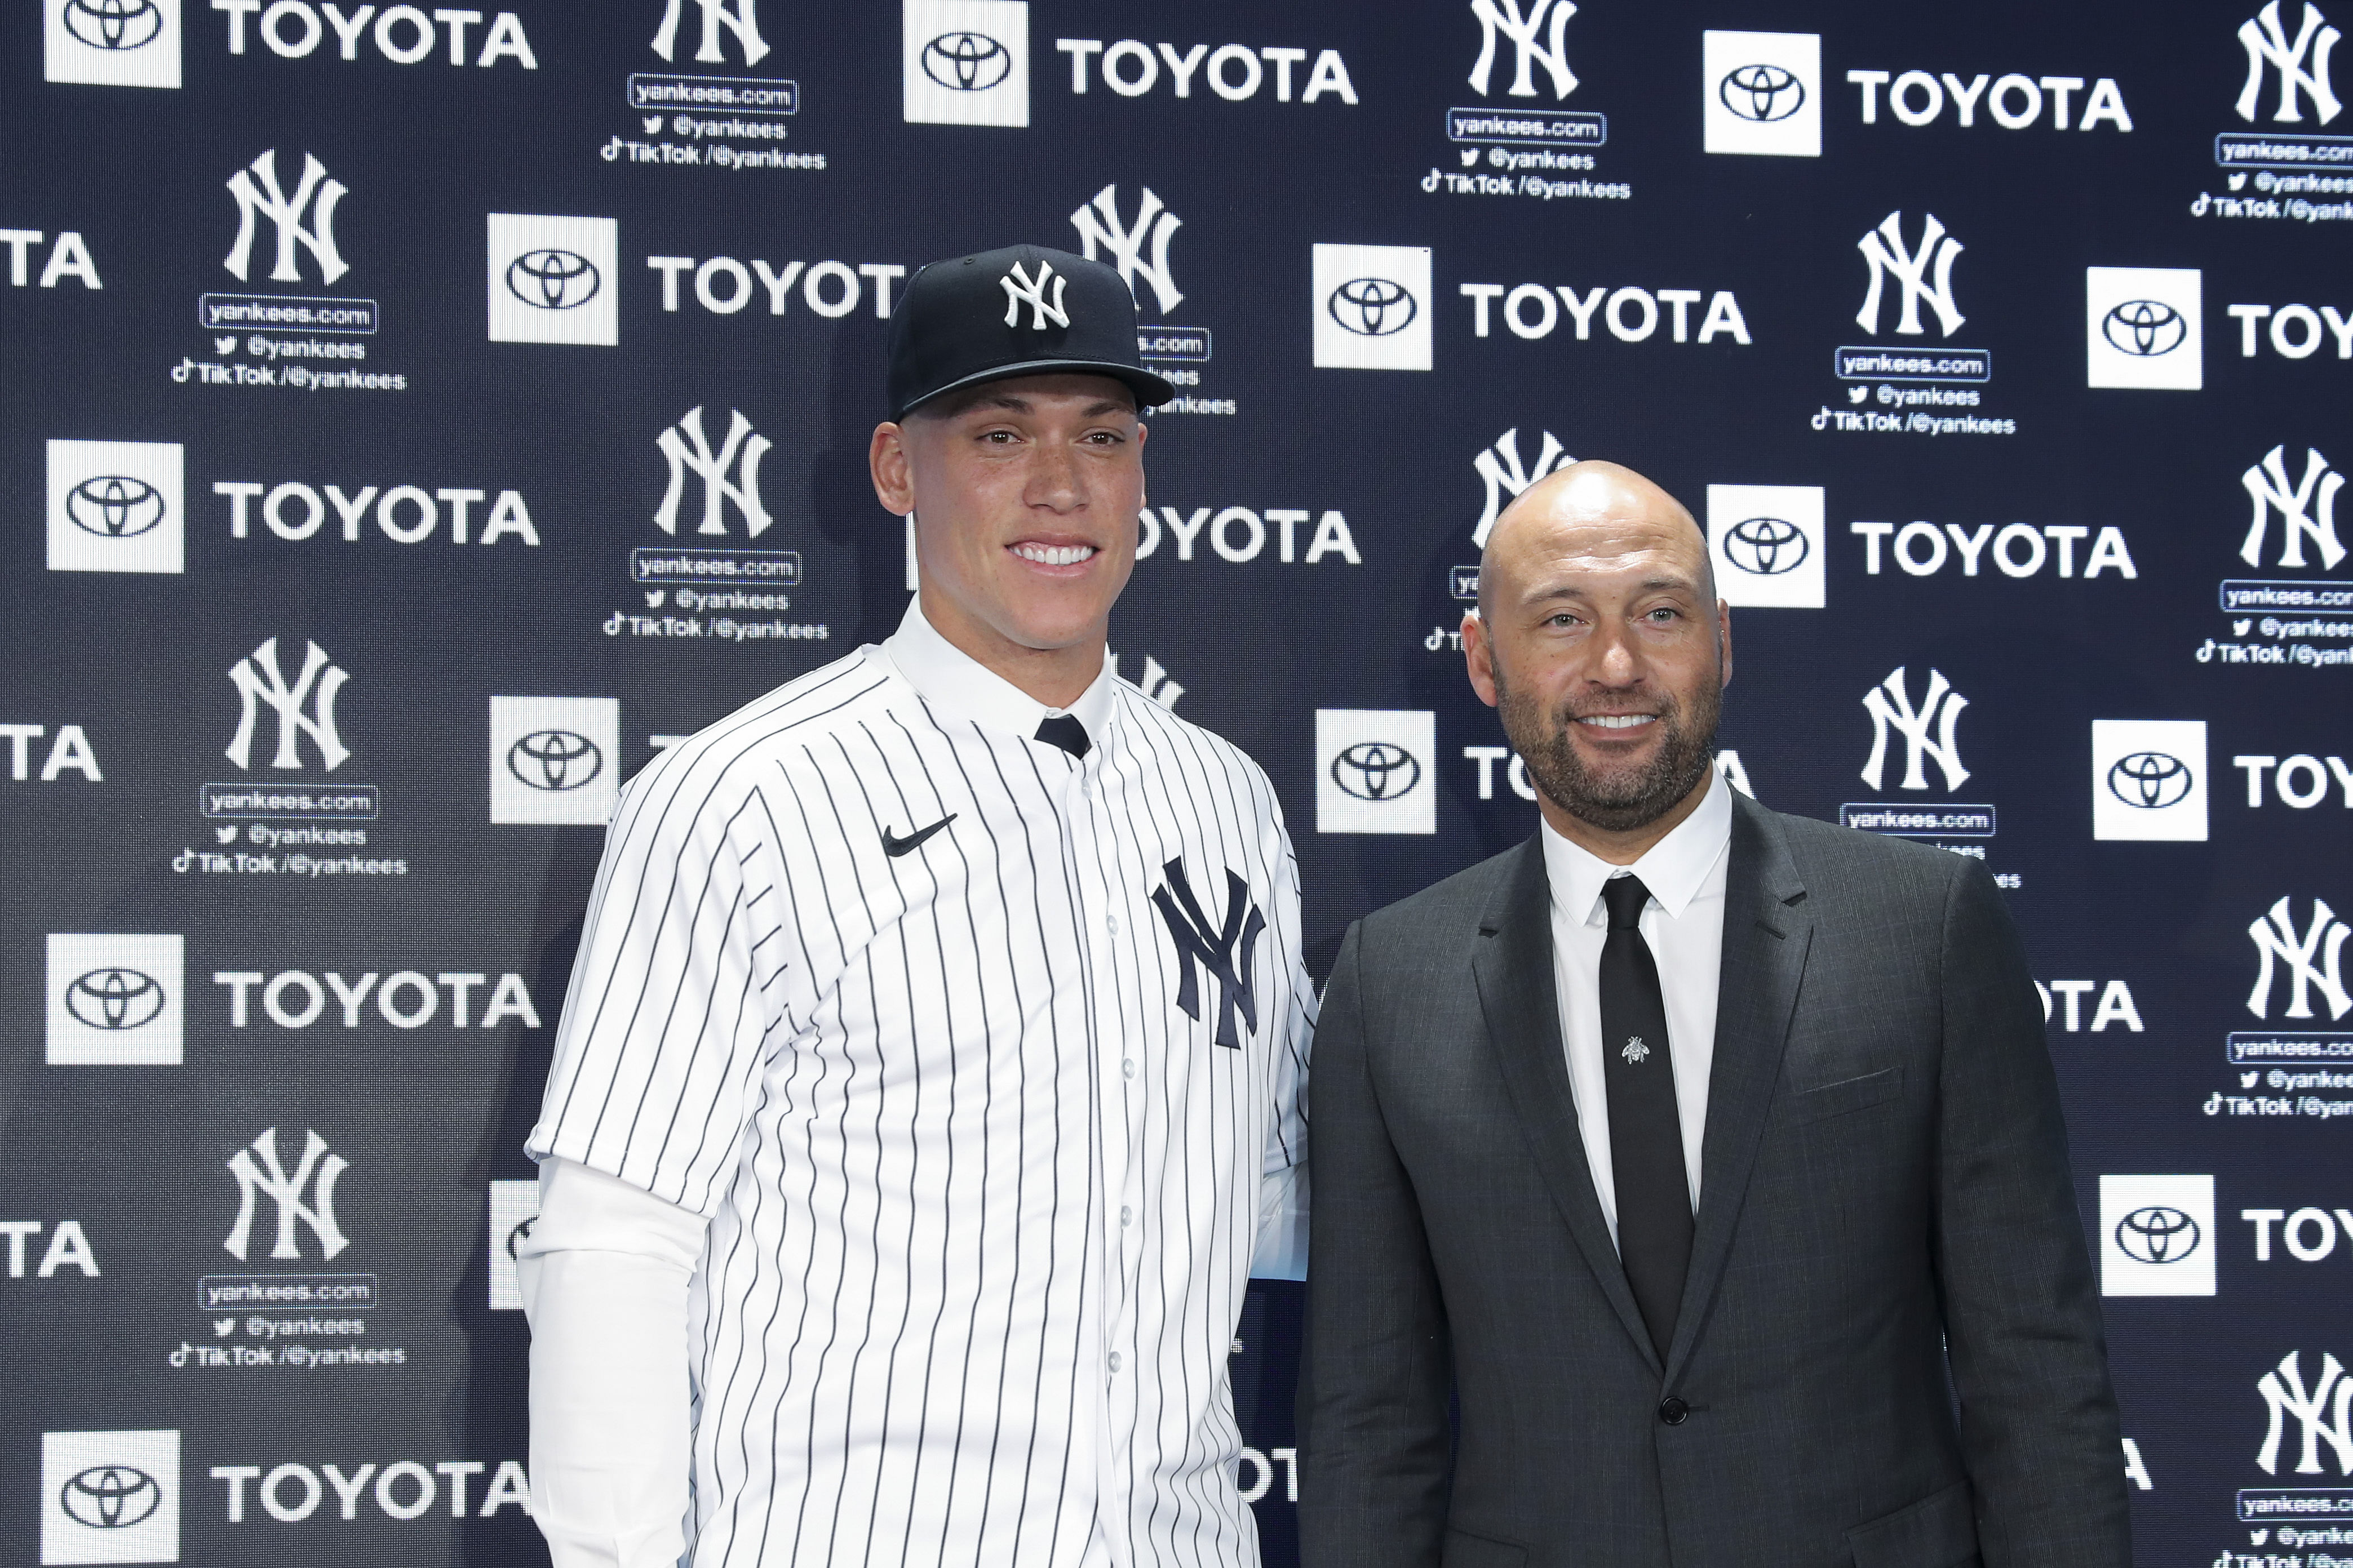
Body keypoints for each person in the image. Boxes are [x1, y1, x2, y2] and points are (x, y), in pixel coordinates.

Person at [518, 243, 1313, 1568]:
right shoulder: (743, 795)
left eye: (1103, 438)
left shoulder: (1227, 801)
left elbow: (1270, 1193)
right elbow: (618, 1243)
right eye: (1000, 434)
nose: (1062, 486)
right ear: (898, 468)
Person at [1297, 461, 2128, 1567]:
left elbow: (2037, 1369)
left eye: (1660, 612)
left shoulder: (1922, 928)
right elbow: (1368, 1419)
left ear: (1723, 641)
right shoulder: (1390, 980)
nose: (1616, 666)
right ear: (1485, 661)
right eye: (1561, 620)